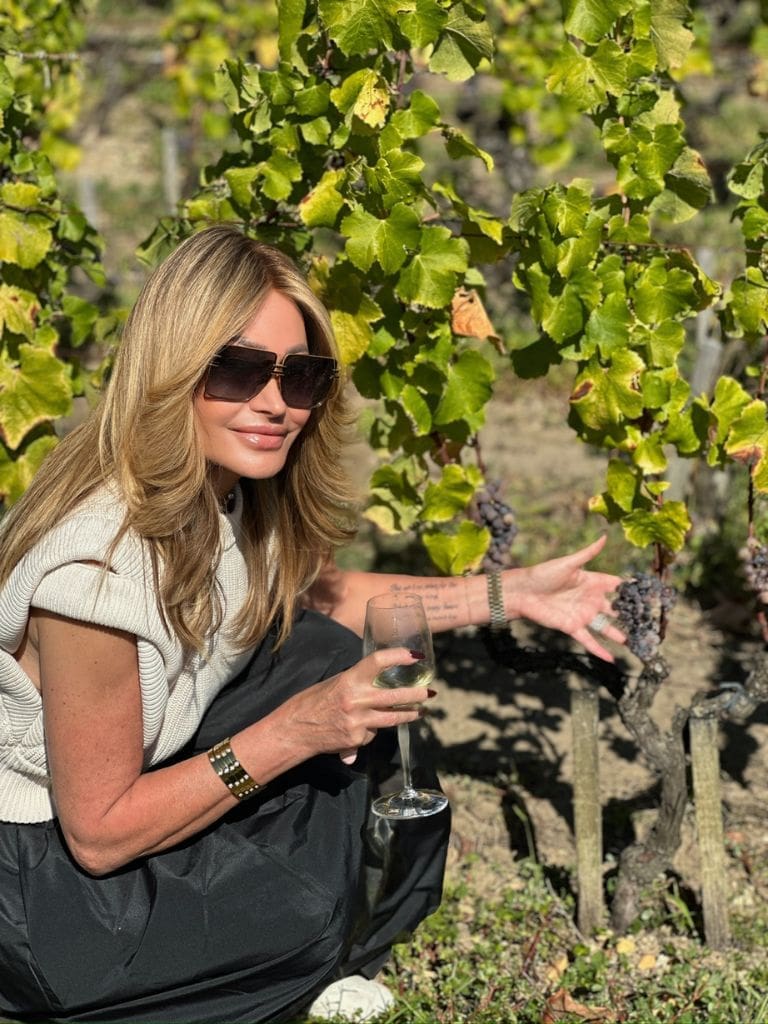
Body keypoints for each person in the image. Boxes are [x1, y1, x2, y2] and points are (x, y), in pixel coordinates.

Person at [0, 225, 624, 1024]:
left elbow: (324, 597)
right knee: (294, 906)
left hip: (108, 813)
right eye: (237, 369)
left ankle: (303, 939)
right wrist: (294, 733)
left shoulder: (216, 492)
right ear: (172, 371)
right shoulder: (94, 577)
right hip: (42, 895)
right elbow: (99, 835)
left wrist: (514, 594)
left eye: (302, 377)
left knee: (320, 651)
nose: (275, 403)